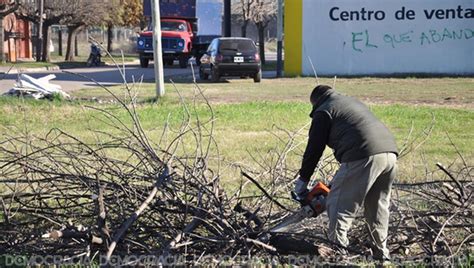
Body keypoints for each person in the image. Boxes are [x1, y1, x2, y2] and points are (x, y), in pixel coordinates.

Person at [294, 85, 398, 261]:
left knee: (338, 206)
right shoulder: (348, 102)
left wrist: (302, 181)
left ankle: (340, 257)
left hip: (363, 155)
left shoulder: (324, 110)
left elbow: (314, 148)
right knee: (377, 208)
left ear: (315, 102)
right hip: (389, 154)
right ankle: (382, 257)